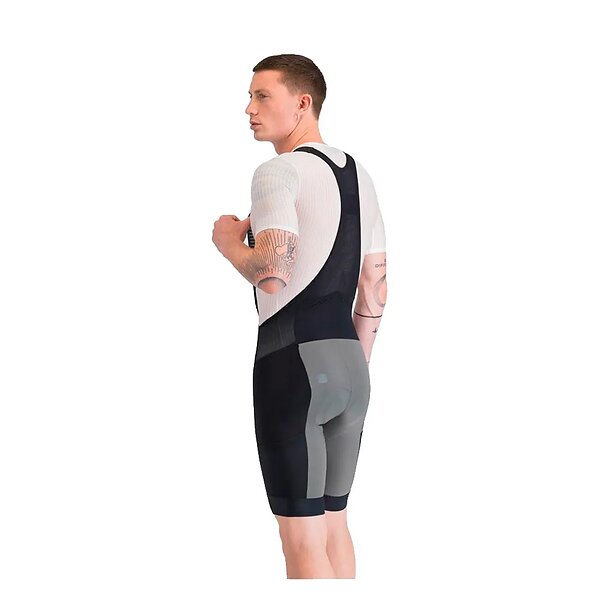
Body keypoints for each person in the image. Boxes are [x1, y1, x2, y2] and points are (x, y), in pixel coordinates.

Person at [212, 54, 387, 579]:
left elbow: (271, 272)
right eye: (249, 96)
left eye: (262, 95)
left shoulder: (277, 171)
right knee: (334, 526)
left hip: (292, 365)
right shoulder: (359, 174)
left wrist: (227, 242)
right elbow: (375, 285)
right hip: (350, 366)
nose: (249, 108)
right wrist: (352, 365)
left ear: (302, 103)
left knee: (301, 541)